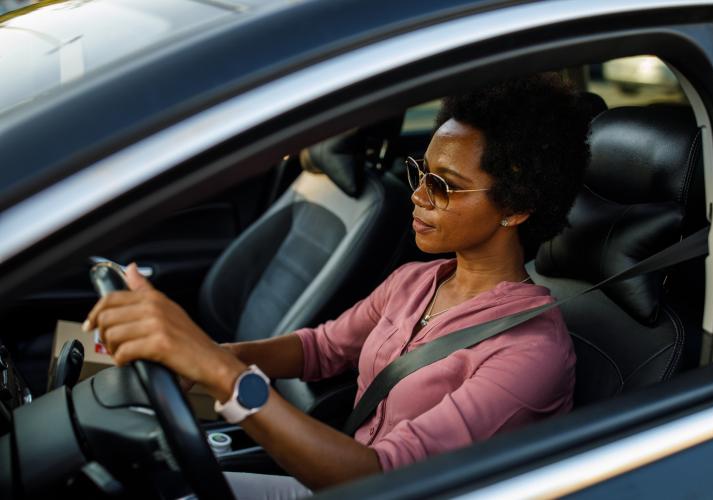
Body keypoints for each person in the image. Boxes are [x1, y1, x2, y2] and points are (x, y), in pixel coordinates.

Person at [83, 73, 591, 499]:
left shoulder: (530, 352)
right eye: (421, 171)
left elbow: (381, 480)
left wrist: (221, 375)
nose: (418, 194)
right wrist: (216, 356)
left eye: (445, 185)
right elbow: (318, 349)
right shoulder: (415, 281)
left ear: (517, 206)